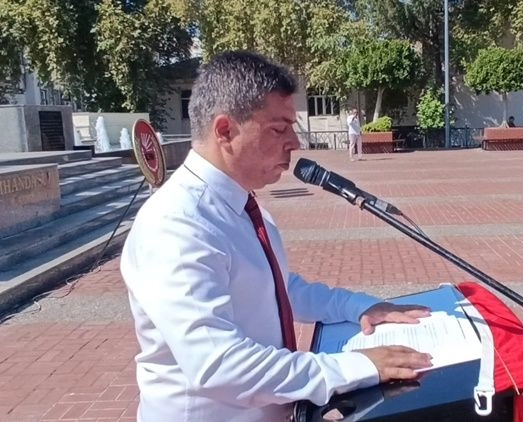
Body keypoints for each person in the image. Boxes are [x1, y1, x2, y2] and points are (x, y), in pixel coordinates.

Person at [120, 51, 433, 422]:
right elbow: (219, 365)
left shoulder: (243, 207)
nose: (295, 142)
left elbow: (278, 290)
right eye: (279, 128)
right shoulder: (177, 224)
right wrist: (356, 367)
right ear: (225, 131)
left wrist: (360, 307)